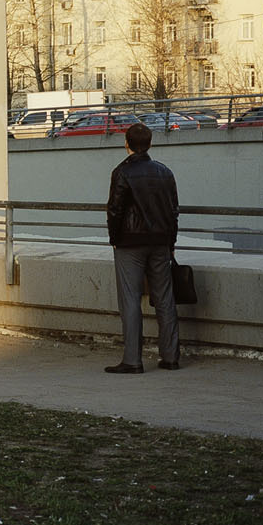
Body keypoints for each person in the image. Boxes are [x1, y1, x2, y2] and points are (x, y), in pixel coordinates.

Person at [105, 121, 181, 373]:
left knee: (130, 299)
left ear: (126, 143)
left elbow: (115, 210)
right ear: (149, 144)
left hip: (130, 242)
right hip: (160, 242)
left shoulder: (122, 172)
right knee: (165, 299)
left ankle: (132, 360)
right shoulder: (164, 172)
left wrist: (114, 239)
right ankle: (170, 357)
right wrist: (171, 243)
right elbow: (173, 211)